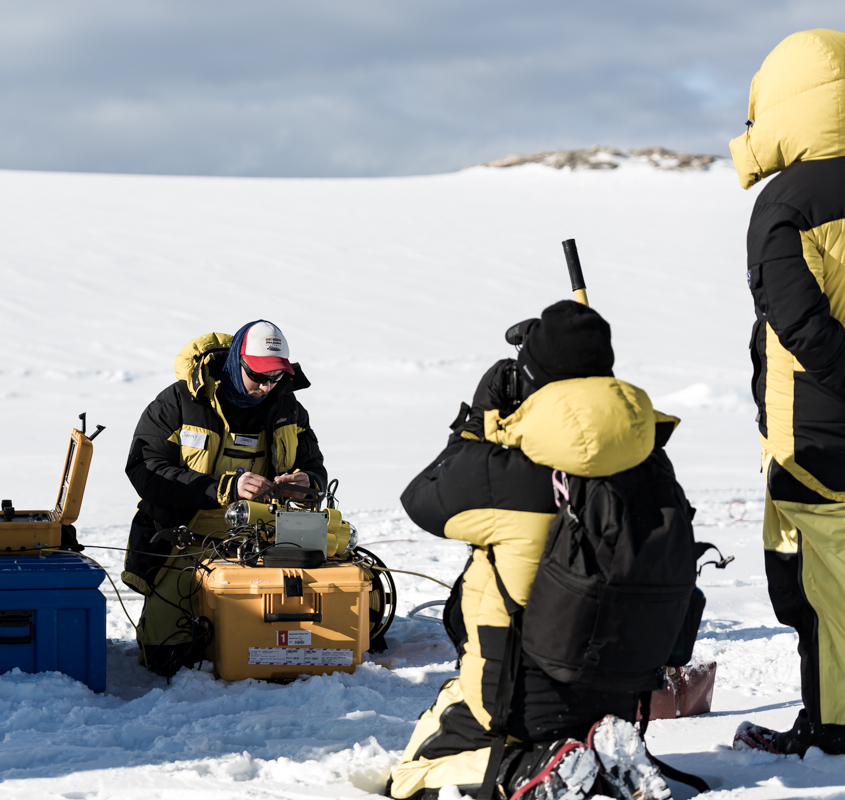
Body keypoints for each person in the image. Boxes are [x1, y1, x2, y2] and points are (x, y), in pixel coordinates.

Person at [386, 301, 680, 800]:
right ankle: (603, 758)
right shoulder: (654, 466)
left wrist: (478, 423)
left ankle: (526, 769)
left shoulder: (504, 471)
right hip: (621, 695)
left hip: (518, 697)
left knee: (410, 780)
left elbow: (420, 498)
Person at [728, 28, 845, 758]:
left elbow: (800, 323)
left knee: (815, 591)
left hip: (813, 437)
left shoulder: (788, 201)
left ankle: (829, 727)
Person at [123, 320, 327, 676]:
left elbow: (316, 469)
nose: (266, 386)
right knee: (164, 655)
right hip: (184, 536)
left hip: (262, 539)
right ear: (236, 362)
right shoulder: (178, 401)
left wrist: (307, 482)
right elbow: (144, 468)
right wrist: (222, 488)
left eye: (275, 378)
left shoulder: (288, 408)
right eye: (258, 376)